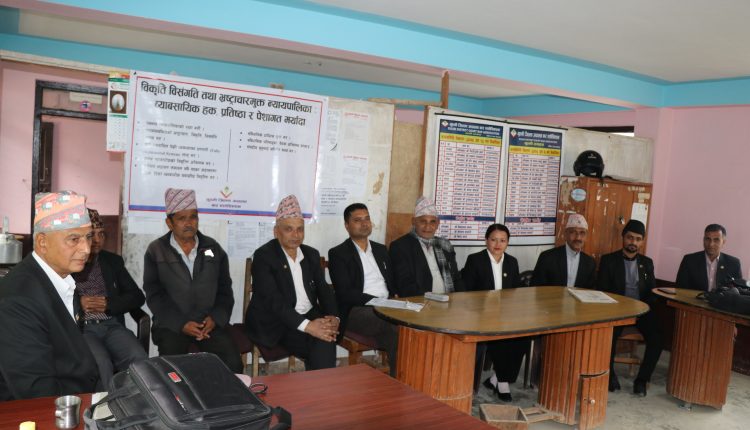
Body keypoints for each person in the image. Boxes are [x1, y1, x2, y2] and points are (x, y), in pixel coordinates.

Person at [0, 191, 100, 400]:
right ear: (42, 242)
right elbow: (36, 392)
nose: (86, 249)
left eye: (88, 237)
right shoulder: (18, 300)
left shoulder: (62, 279)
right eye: (74, 239)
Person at [143, 188, 242, 373]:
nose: (189, 223)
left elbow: (225, 291)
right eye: (182, 218)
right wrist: (181, 324)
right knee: (172, 372)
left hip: (208, 324)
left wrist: (215, 319)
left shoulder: (213, 248)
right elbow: (154, 295)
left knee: (233, 365)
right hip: (172, 325)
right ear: (169, 223)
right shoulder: (156, 250)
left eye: (193, 217)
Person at [245, 195, 339, 370]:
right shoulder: (264, 256)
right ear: (276, 232)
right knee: (321, 341)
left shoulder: (310, 254)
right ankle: (321, 382)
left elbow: (324, 289)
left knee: (325, 337)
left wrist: (334, 317)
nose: (296, 235)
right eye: (289, 229)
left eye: (300, 229)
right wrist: (309, 326)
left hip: (307, 315)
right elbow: (273, 301)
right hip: (275, 322)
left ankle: (321, 384)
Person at [72, 208, 147, 389]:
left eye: (101, 234)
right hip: (83, 329)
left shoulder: (112, 261)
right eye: (92, 235)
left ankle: (134, 402)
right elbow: (54, 299)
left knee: (139, 358)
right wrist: (79, 304)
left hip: (111, 325)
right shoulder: (68, 261)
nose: (98, 240)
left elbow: (137, 296)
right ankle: (105, 405)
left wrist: (108, 304)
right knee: (101, 364)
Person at [328, 203, 398, 376]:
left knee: (413, 325)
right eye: (357, 220)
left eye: (367, 218)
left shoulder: (381, 250)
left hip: (388, 305)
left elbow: (392, 282)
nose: (364, 223)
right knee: (394, 325)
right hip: (357, 309)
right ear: (347, 225)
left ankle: (407, 375)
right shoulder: (338, 253)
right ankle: (401, 378)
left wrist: (398, 299)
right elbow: (345, 293)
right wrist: (379, 302)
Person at [462, 223, 527, 402]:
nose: (498, 244)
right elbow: (466, 292)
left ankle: (496, 378)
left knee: (524, 337)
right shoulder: (475, 260)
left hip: (506, 313)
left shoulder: (512, 262)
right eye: (493, 240)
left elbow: (515, 291)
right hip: (481, 314)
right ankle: (503, 383)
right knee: (501, 337)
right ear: (486, 240)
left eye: (502, 240)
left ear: (507, 243)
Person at [597, 220, 662, 396]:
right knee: (608, 335)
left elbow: (652, 291)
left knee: (657, 338)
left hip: (641, 311)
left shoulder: (647, 263)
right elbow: (603, 290)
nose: (633, 242)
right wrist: (619, 310)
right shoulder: (608, 260)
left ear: (642, 242)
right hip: (616, 312)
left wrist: (643, 308)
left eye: (638, 239)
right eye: (630, 237)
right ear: (623, 238)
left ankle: (642, 380)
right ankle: (610, 375)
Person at [389, 196, 463, 297]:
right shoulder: (400, 247)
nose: (428, 227)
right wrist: (431, 300)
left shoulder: (445, 245)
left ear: (438, 223)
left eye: (432, 222)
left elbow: (456, 278)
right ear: (414, 222)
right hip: (421, 301)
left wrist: (461, 299)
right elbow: (405, 285)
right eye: (423, 221)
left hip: (450, 300)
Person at [531, 214, 595, 288]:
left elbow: (589, 291)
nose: (578, 237)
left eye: (582, 233)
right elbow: (536, 288)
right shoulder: (547, 258)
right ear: (565, 234)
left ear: (586, 236)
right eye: (573, 232)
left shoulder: (590, 263)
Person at [676, 224, 743, 292]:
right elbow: (680, 290)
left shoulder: (734, 264)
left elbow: (738, 292)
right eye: (708, 239)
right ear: (703, 240)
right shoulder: (689, 261)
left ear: (723, 242)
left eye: (716, 240)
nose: (711, 244)